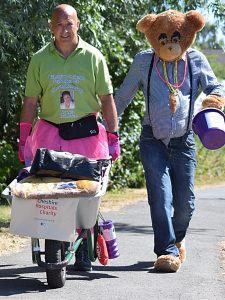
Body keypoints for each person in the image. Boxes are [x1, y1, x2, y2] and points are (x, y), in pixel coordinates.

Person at [114, 10, 225, 272]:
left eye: (175, 37)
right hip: (153, 139)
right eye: (162, 38)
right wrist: (104, 123)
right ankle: (166, 251)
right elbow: (122, 97)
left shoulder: (195, 60)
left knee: (186, 203)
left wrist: (215, 100)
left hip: (184, 140)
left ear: (187, 34)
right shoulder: (144, 61)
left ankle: (177, 238)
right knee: (160, 195)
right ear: (153, 36)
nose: (169, 43)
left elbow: (215, 87)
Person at [18, 4, 120, 272]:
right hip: (50, 132)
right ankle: (57, 239)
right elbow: (30, 101)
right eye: (59, 24)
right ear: (51, 27)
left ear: (78, 24)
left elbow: (107, 99)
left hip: (86, 133)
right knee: (52, 188)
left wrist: (113, 135)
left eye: (70, 23)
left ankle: (84, 246)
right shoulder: (40, 58)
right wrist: (23, 136)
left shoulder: (93, 56)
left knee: (85, 192)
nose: (65, 29)